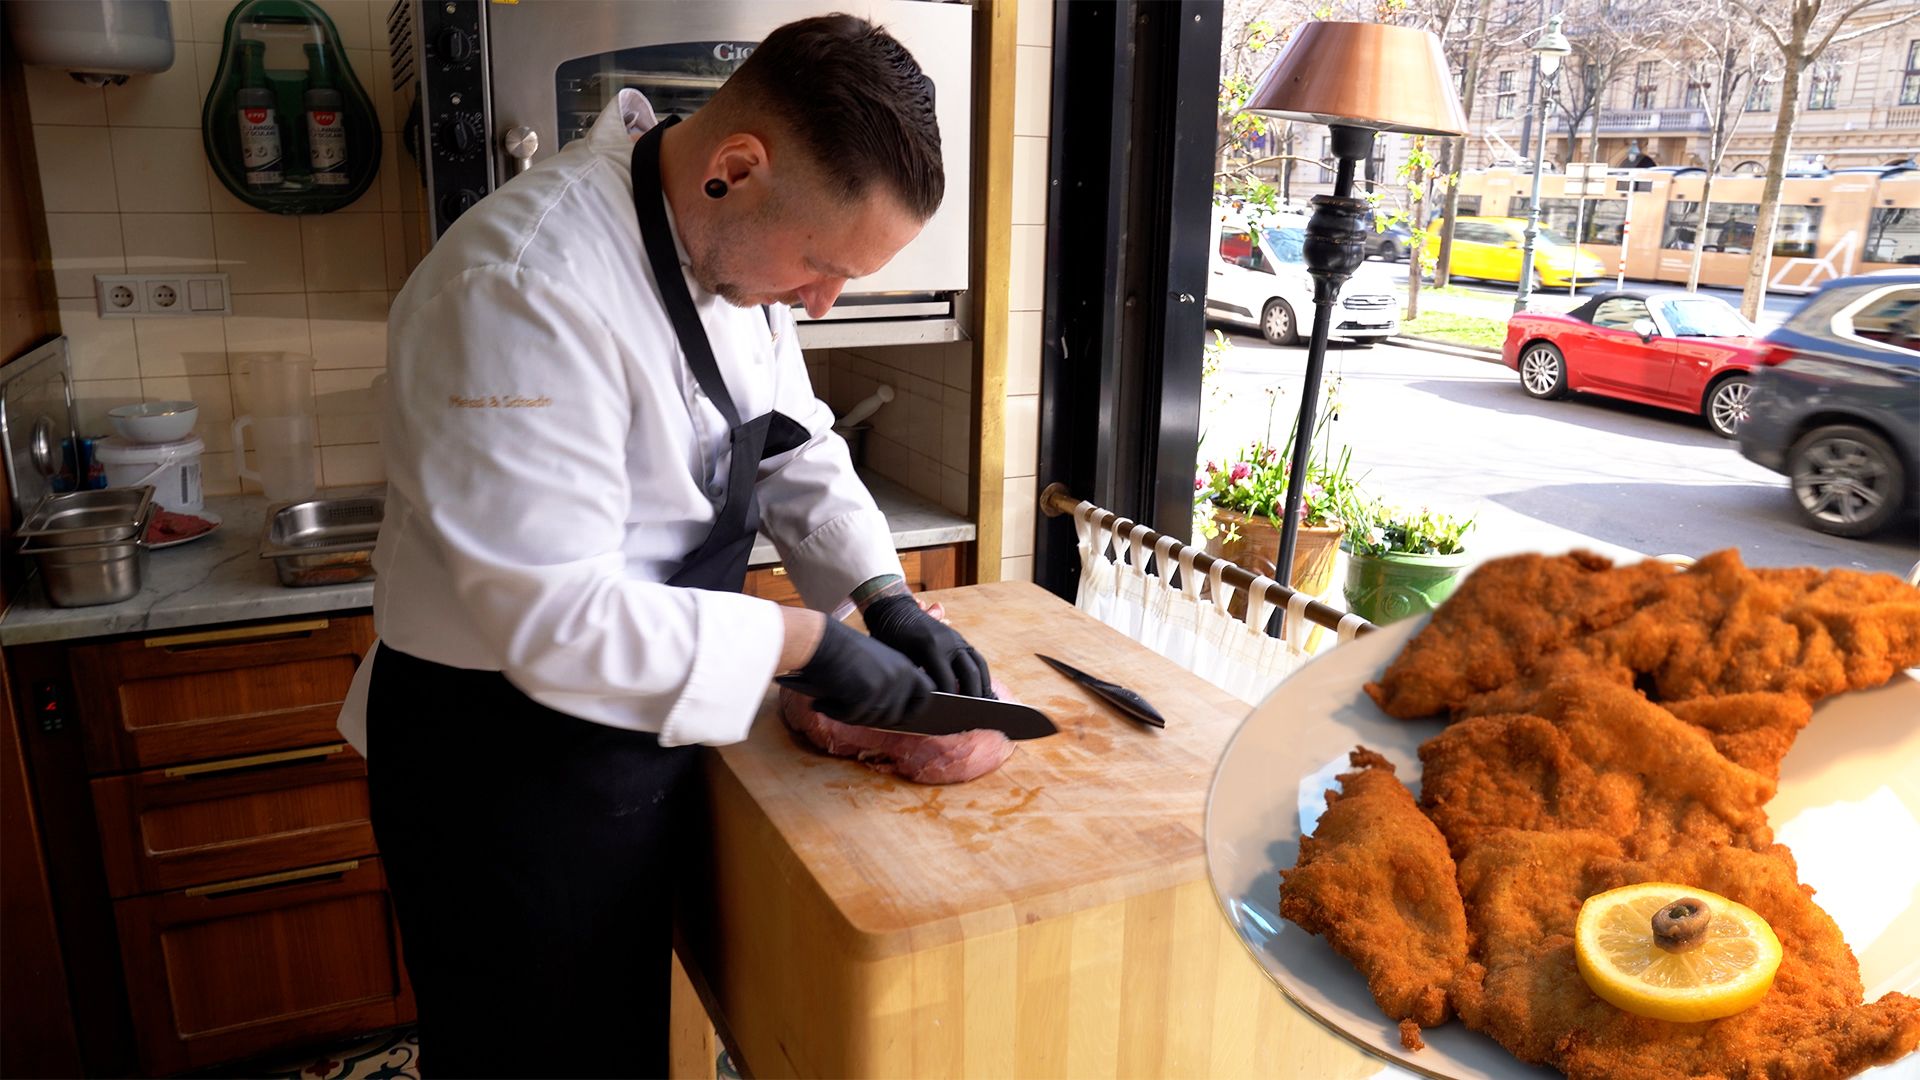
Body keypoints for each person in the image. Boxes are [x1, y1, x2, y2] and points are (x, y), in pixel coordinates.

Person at [337, 15, 990, 1077]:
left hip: (627, 744)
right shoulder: (523, 285)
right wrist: (805, 646)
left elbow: (792, 446)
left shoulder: (734, 257)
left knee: (625, 1042)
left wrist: (884, 593)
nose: (822, 303)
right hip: (503, 770)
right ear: (738, 167)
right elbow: (557, 622)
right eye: (822, 265)